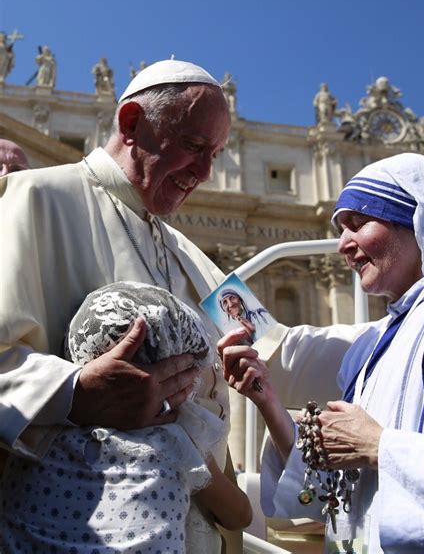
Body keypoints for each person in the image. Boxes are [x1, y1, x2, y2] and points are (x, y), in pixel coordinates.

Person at [0, 58, 258, 553]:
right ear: (132, 124)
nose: (205, 173)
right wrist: (73, 392)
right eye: (194, 146)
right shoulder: (31, 196)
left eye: (217, 156)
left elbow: (278, 346)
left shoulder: (188, 252)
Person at [218, 153, 424, 553]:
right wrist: (267, 399)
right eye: (340, 228)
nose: (342, 244)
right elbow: (333, 498)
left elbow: (374, 451)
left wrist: (378, 445)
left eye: (357, 223)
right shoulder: (369, 350)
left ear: (420, 220)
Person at [1, 281, 251, 551]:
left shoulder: (40, 438)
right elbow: (239, 514)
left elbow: (267, 334)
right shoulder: (178, 439)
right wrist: (76, 391)